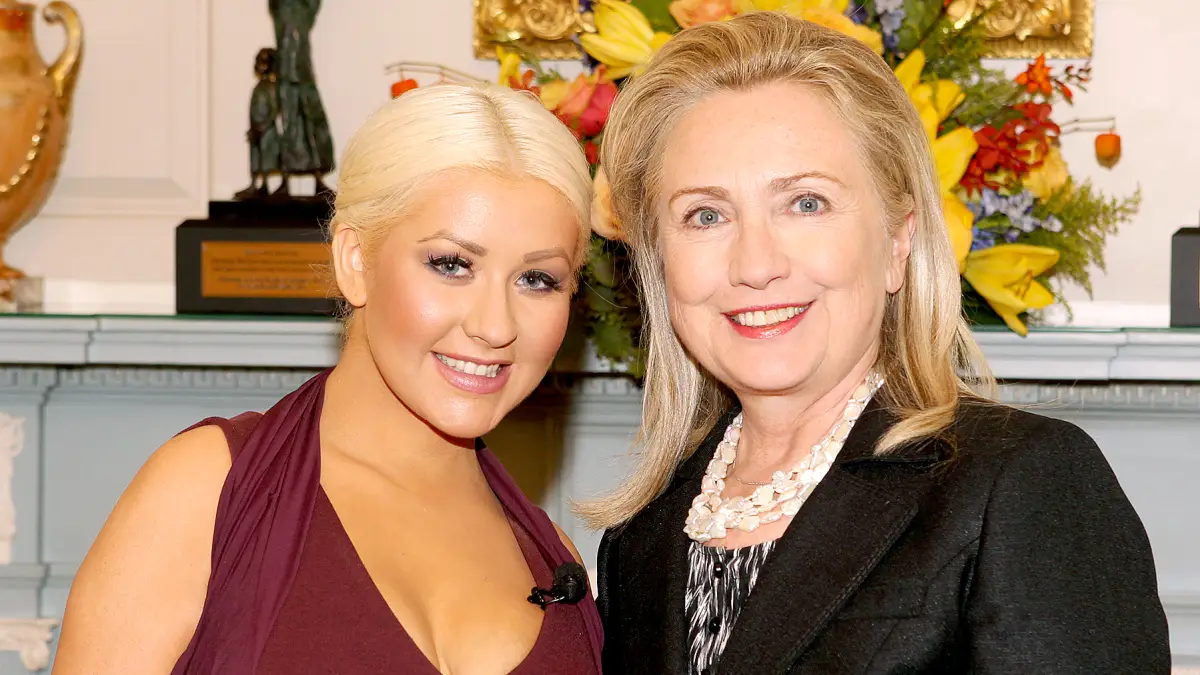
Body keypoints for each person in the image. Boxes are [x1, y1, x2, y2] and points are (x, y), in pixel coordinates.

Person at [583, 11, 1170, 675]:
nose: (755, 262)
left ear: (898, 241)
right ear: (660, 266)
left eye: (804, 203)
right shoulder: (641, 537)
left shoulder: (1021, 485)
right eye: (706, 215)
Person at [52, 82, 602, 674]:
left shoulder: (555, 558)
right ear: (355, 261)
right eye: (452, 265)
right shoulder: (208, 493)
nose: (496, 326)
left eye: (538, 280)